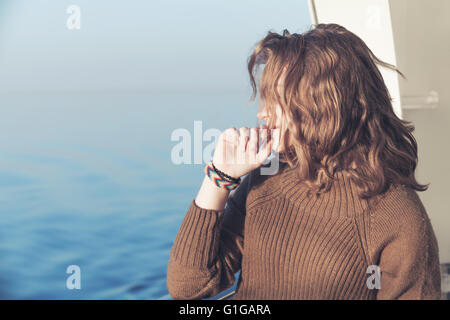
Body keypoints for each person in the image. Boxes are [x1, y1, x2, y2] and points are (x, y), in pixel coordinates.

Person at [166, 23, 441, 300]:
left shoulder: (398, 216)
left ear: (324, 106)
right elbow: (189, 286)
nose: (262, 114)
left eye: (276, 101)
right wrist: (220, 177)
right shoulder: (265, 178)